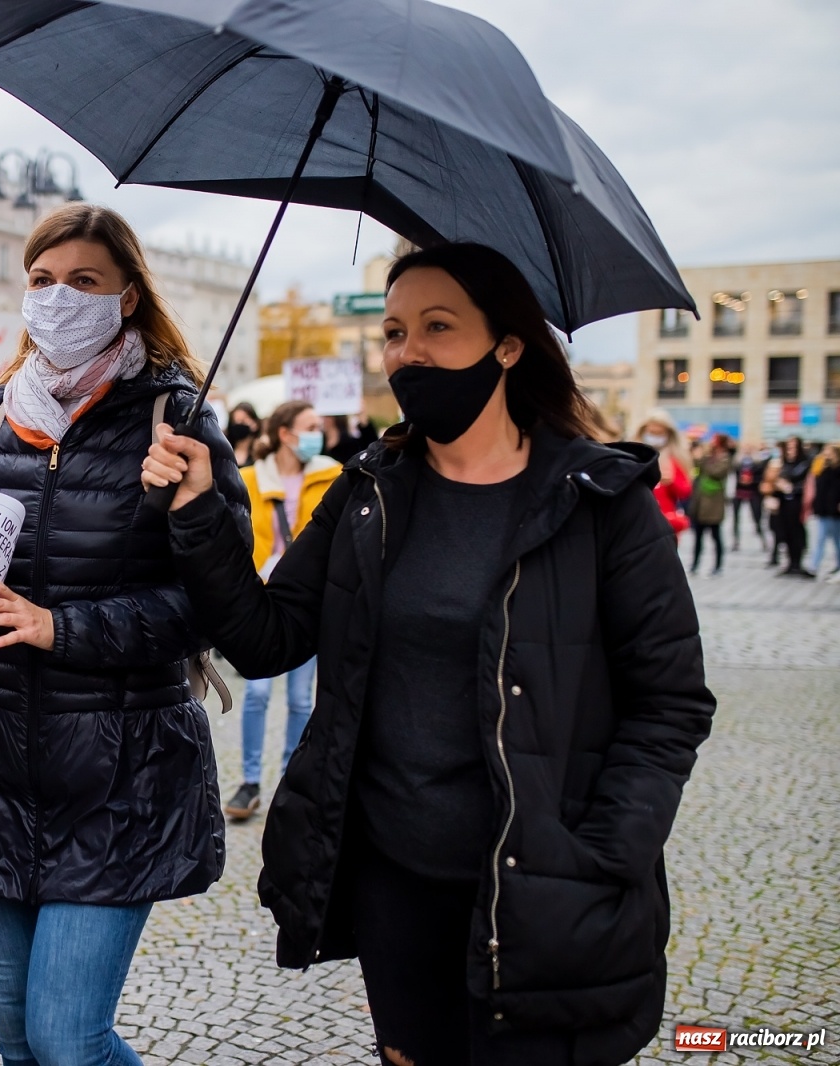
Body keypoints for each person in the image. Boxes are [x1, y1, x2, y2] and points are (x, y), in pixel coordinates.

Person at [144, 242, 714, 1066]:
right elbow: (265, 638)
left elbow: (671, 704)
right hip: (395, 886)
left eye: (438, 328)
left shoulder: (600, 504)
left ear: (507, 346)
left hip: (544, 892)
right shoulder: (369, 491)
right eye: (395, 331)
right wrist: (198, 512)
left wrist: (601, 856)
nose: (408, 352)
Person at [0, 203, 247, 1066]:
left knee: (68, 1040)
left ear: (128, 297)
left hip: (119, 769)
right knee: (18, 1040)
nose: (58, 297)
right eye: (42, 280)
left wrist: (60, 626)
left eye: (85, 282)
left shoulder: (178, 421)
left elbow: (212, 605)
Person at [223, 400, 341, 821]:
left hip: (308, 601)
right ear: (286, 433)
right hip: (262, 596)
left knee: (298, 699)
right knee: (255, 692)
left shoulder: (332, 476)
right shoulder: (252, 478)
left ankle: (294, 775)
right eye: (310, 426)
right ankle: (250, 779)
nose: (319, 434)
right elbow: (236, 535)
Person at [635, 410, 693, 542]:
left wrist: (671, 480)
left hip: (664, 522)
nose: (655, 436)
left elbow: (685, 491)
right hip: (636, 520)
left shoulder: (675, 459)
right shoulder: (632, 455)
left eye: (659, 433)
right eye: (651, 432)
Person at [766, 436, 814, 578]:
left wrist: (791, 488)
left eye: (793, 447)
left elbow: (806, 484)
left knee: (797, 533)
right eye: (788, 447)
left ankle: (797, 563)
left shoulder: (804, 464)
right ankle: (790, 562)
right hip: (784, 503)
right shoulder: (784, 463)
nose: (790, 450)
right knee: (784, 532)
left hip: (796, 502)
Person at [689, 433, 732, 576]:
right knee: (698, 537)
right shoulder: (708, 456)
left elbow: (716, 472)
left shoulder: (725, 458)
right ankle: (695, 564)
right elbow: (696, 467)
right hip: (700, 503)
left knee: (716, 537)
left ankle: (718, 565)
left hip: (714, 504)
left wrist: (704, 460)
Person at [810, 443, 840, 579]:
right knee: (821, 538)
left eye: (828, 451)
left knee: (836, 540)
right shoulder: (823, 466)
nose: (825, 453)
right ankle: (814, 566)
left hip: (835, 509)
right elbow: (814, 478)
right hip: (823, 508)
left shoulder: (837, 469)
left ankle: (815, 566)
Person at [732, 444, 769, 552]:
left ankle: (763, 541)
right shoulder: (738, 463)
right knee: (736, 518)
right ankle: (736, 540)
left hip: (753, 492)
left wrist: (751, 480)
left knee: (757, 517)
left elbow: (761, 476)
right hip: (739, 491)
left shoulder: (758, 463)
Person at [225, 401, 261, 466]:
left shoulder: (260, 451)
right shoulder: (225, 451)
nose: (239, 425)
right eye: (236, 422)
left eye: (243, 421)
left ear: (255, 423)